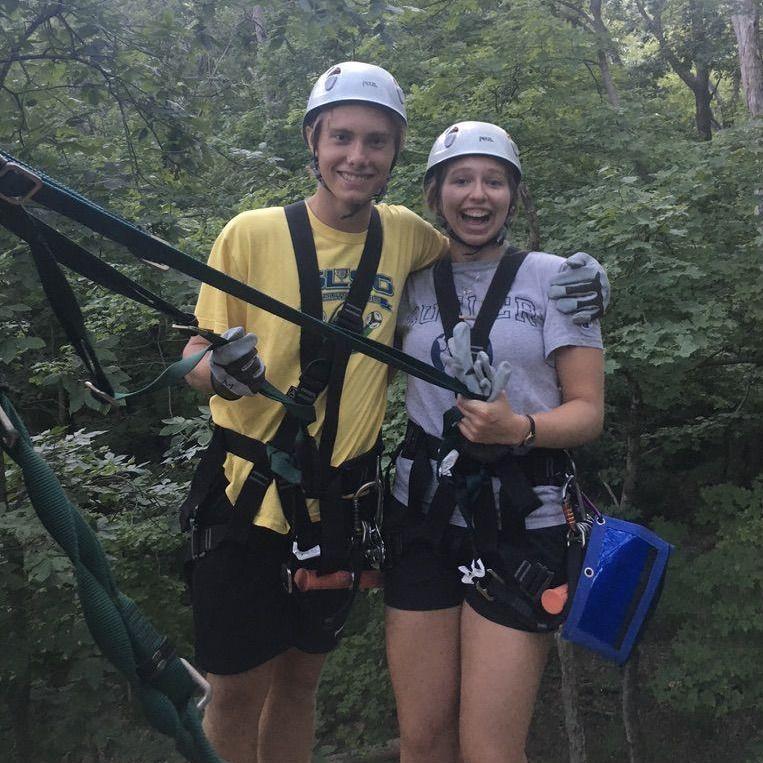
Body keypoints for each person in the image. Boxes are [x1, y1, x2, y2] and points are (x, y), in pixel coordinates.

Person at [180, 62, 451, 763]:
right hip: (247, 495)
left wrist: (563, 275)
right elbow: (194, 356)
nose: (357, 157)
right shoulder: (250, 234)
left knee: (300, 681)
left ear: (395, 154)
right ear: (313, 140)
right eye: (341, 138)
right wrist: (223, 374)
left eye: (376, 141)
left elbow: (478, 263)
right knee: (235, 689)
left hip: (341, 504)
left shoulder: (408, 236)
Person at [383, 121, 606, 763]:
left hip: (519, 520)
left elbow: (588, 412)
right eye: (461, 180)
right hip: (423, 516)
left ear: (513, 195)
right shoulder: (410, 278)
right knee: (422, 741)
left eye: (493, 181)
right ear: (436, 194)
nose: (477, 195)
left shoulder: (556, 280)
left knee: (490, 750)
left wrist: (522, 429)